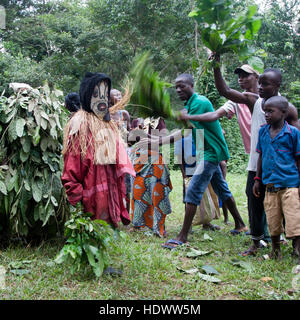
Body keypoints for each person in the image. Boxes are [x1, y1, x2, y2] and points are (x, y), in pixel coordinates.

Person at [212, 55, 299, 255]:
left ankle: (291, 242)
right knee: (254, 201)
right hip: (257, 164)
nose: (260, 87)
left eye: (265, 84)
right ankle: (256, 241)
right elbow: (224, 91)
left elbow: (297, 137)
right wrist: (216, 65)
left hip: (284, 168)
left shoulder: (288, 109)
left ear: (277, 85)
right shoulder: (254, 101)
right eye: (259, 84)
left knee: (287, 203)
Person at [162, 73, 247, 248]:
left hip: (211, 152)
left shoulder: (199, 102)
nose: (178, 90)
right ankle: (240, 224)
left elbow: (209, 117)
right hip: (207, 151)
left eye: (182, 86)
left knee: (193, 189)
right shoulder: (190, 105)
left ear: (191, 85)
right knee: (222, 188)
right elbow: (184, 132)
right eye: (176, 87)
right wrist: (155, 141)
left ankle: (182, 236)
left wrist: (187, 117)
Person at [61, 72, 136, 228]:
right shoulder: (80, 125)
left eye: (104, 94)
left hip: (106, 192)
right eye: (96, 94)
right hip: (89, 196)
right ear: (87, 96)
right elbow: (71, 170)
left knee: (104, 229)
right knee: (91, 229)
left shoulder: (106, 123)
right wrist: (78, 201)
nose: (102, 99)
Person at [253, 96, 300, 271]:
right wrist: (257, 180)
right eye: (265, 111)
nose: (267, 114)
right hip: (270, 186)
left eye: (271, 111)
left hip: (290, 185)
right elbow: (261, 156)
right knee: (273, 219)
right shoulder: (263, 131)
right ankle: (275, 250)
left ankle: (297, 249)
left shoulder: (293, 133)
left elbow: (298, 158)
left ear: (284, 113)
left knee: (294, 219)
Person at [129, 117, 173, 238]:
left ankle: (158, 227)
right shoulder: (136, 120)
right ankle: (138, 224)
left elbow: (164, 138)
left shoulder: (158, 120)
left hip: (154, 160)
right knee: (138, 193)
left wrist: (149, 138)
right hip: (138, 159)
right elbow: (130, 140)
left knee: (157, 193)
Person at [174, 132, 221, 231]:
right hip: (189, 171)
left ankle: (206, 223)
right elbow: (178, 158)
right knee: (188, 197)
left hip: (202, 168)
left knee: (205, 195)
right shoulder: (181, 136)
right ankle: (188, 226)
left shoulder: (199, 133)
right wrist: (184, 174)